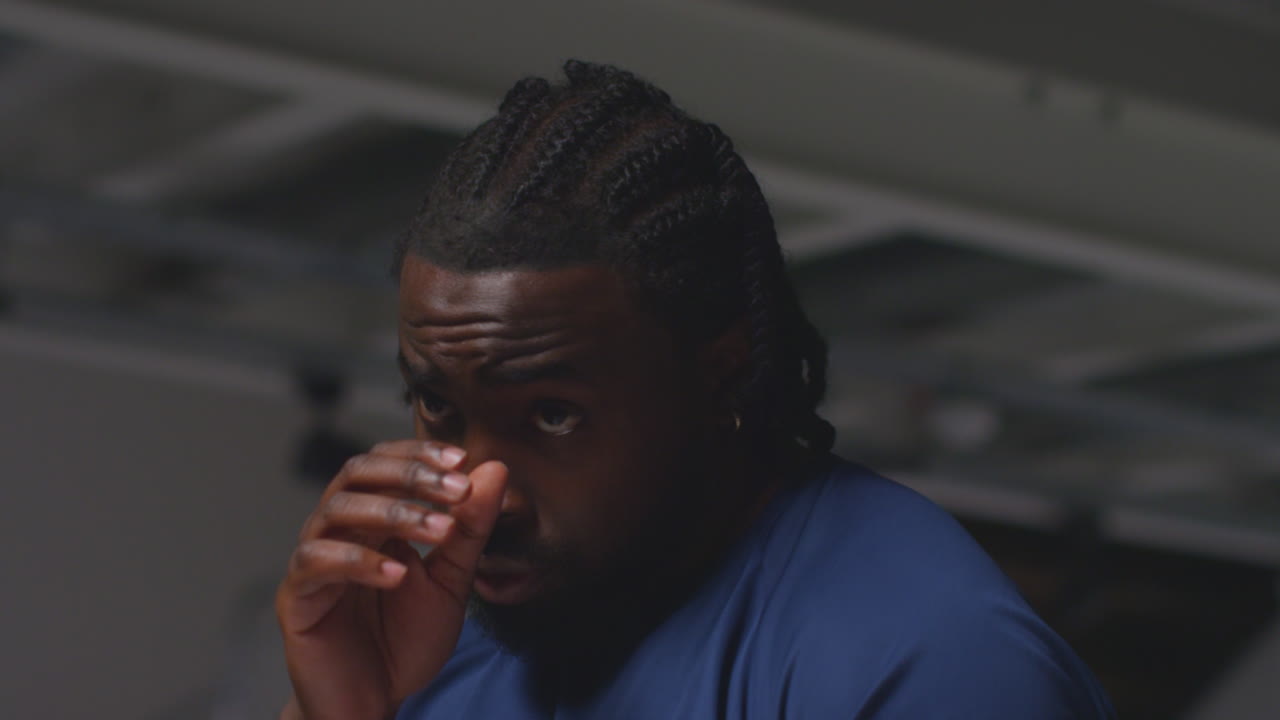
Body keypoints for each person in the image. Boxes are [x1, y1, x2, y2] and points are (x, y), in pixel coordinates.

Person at [275, 60, 1115, 719]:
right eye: (440, 409)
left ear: (721, 374)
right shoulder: (434, 643)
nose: (476, 496)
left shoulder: (933, 663)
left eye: (553, 413)